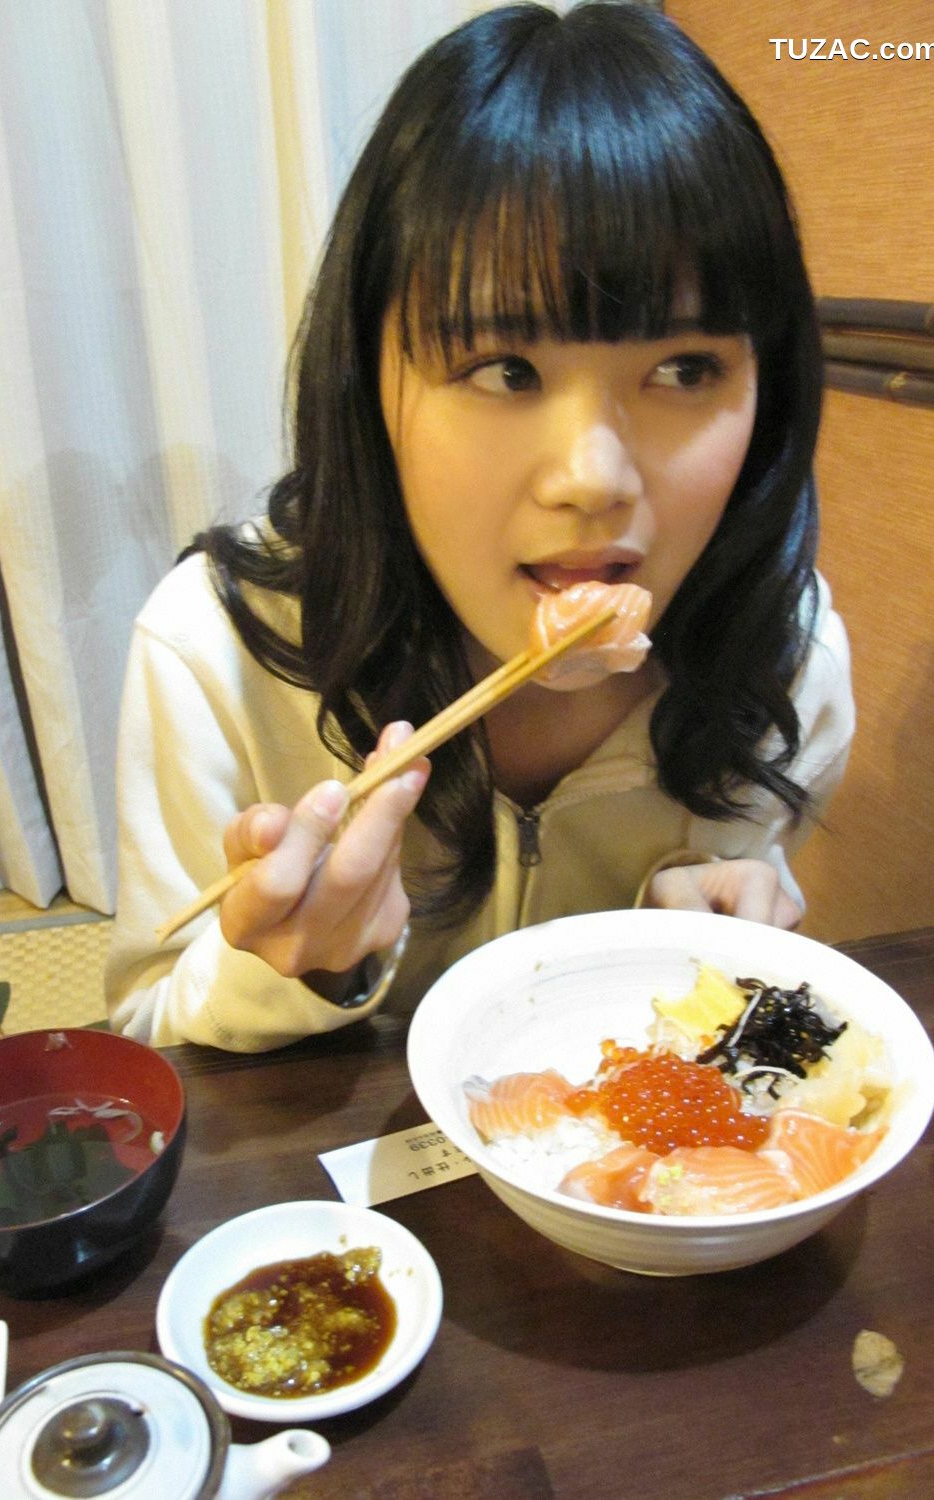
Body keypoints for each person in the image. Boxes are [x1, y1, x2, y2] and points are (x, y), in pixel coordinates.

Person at [106, 2, 853, 1051]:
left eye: (685, 369)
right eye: (505, 370)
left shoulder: (787, 663)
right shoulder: (214, 653)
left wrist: (700, 915)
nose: (593, 480)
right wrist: (292, 973)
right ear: (369, 381)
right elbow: (145, 1031)